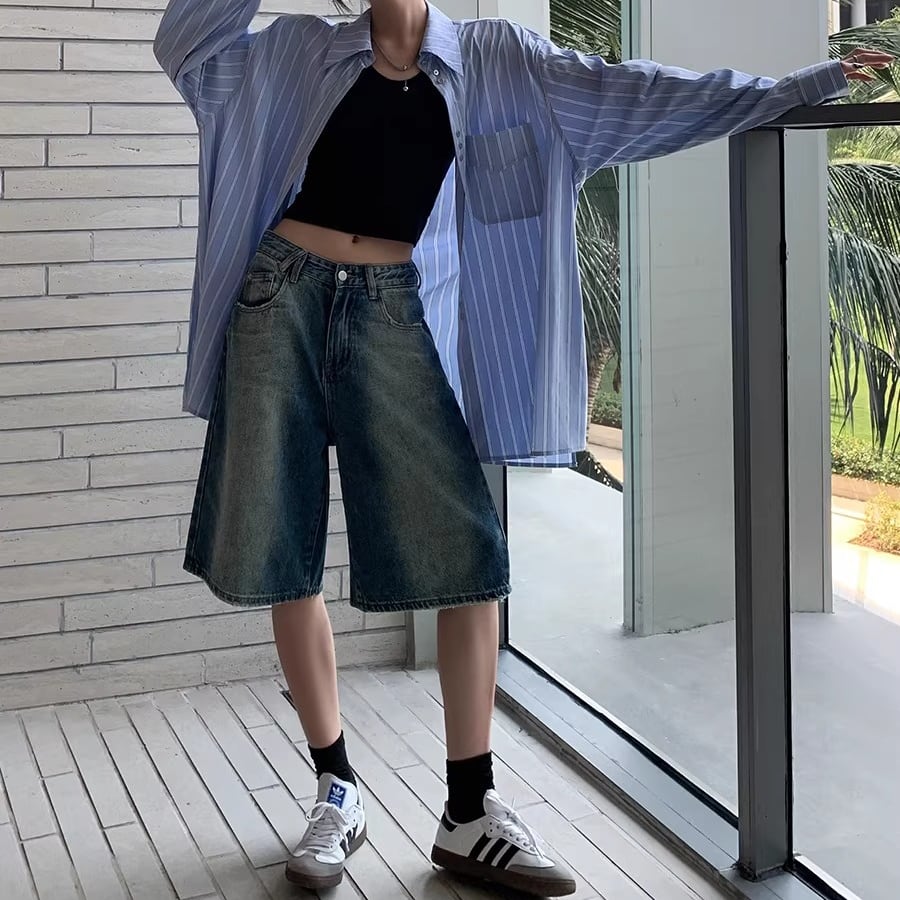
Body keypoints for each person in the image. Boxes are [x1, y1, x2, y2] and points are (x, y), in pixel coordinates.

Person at [153, 0, 889, 894]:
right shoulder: (299, 50)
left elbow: (636, 94)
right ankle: (336, 788)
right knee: (283, 546)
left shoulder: (500, 60)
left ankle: (469, 811)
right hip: (278, 299)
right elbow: (188, 48)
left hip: (395, 311)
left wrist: (798, 86)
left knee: (468, 556)